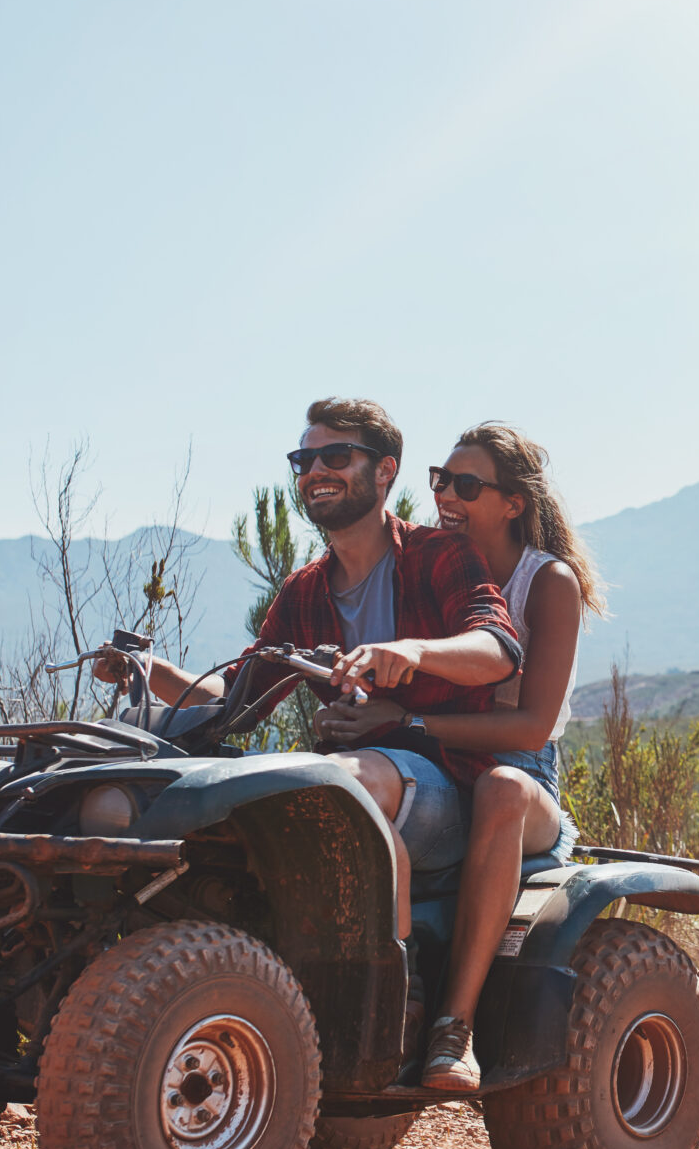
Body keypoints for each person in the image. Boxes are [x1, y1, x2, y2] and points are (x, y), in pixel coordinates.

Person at [96, 398, 519, 943]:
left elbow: (498, 648)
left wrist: (412, 652)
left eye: (337, 456)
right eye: (305, 461)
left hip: (449, 786)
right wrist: (146, 668)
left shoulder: (439, 554)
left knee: (335, 782)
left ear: (385, 470)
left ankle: (390, 985)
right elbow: (236, 697)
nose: (317, 471)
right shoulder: (304, 590)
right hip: (352, 771)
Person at [313, 422, 600, 1091]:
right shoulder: (434, 563)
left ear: (513, 504)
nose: (445, 494)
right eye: (439, 480)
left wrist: (412, 719)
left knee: (501, 787)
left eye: (466, 485)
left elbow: (530, 728)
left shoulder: (546, 582)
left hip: (521, 778)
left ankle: (455, 1028)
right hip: (436, 761)